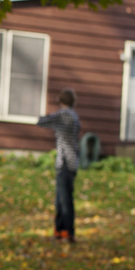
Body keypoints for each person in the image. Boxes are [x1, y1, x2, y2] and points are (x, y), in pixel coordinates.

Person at [37, 88, 81, 243]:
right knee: (61, 198)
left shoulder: (62, 115)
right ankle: (59, 231)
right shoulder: (74, 116)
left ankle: (68, 232)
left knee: (64, 200)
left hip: (64, 162)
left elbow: (42, 122)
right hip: (73, 162)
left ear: (61, 101)